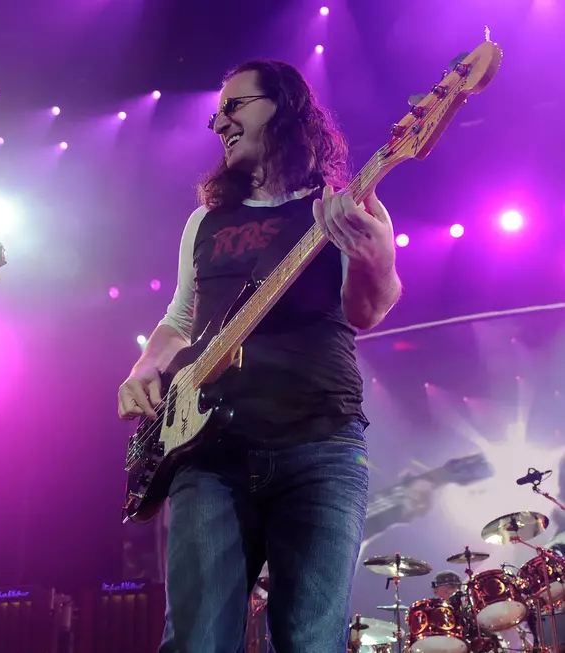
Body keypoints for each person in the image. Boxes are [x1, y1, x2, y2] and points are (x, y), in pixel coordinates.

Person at [116, 60, 402, 652]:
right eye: (216, 114)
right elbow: (180, 319)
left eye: (235, 106)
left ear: (285, 106)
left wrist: (376, 260)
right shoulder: (205, 220)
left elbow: (368, 312)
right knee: (197, 642)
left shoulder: (341, 205)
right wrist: (144, 367)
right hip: (208, 452)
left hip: (319, 440)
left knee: (310, 641)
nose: (220, 123)